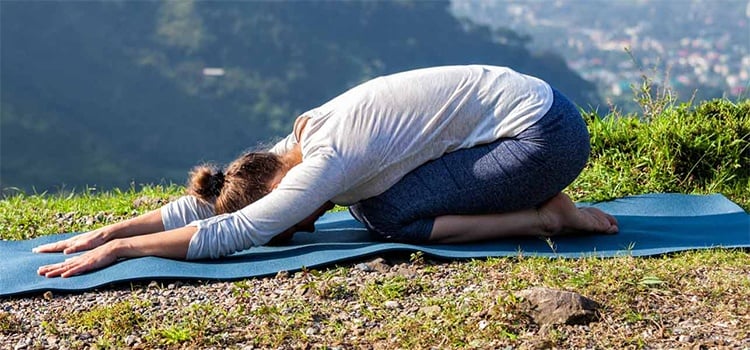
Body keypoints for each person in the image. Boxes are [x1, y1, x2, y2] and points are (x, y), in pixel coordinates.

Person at [35, 65, 618, 278]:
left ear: (280, 188)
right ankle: (543, 207)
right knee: (374, 202)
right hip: (531, 107)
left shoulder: (323, 164)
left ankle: (547, 213)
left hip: (545, 138)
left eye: (290, 221)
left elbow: (233, 232)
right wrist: (114, 229)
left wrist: (123, 254)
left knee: (389, 216)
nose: (302, 226)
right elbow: (214, 208)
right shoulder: (302, 136)